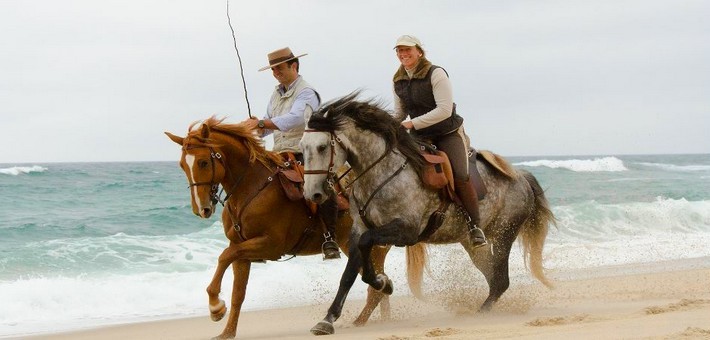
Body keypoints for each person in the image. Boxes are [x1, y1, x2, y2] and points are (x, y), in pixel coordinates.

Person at [242, 47, 341, 259]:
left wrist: (260, 122)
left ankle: (329, 238)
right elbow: (270, 126)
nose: (275, 72)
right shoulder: (275, 94)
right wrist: (252, 129)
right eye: (273, 69)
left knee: (321, 186)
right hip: (279, 153)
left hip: (305, 151)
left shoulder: (307, 92)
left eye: (279, 68)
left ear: (293, 65)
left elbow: (295, 119)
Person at [391, 35, 487, 248]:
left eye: (407, 50)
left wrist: (411, 124)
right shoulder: (397, 79)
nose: (403, 54)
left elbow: (444, 110)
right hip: (420, 135)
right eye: (399, 51)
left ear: (419, 52)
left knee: (461, 175)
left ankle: (475, 226)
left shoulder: (436, 73)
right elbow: (400, 112)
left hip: (447, 132)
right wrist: (388, 124)